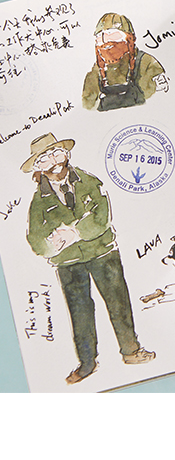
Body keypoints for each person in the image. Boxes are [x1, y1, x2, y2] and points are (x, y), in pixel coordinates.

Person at [21, 132, 155, 385]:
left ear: (66, 153)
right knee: (79, 312)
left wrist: (74, 233)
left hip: (103, 252)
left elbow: (102, 217)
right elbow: (35, 239)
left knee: (118, 302)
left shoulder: (89, 181)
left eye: (56, 152)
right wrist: (51, 245)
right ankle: (87, 363)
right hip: (68, 263)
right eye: (45, 158)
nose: (54, 161)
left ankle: (131, 351)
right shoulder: (38, 201)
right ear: (38, 167)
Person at [82, 12, 169, 111]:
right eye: (101, 38)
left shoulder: (147, 64)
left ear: (129, 39)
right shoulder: (95, 73)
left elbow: (157, 101)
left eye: (113, 36)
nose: (106, 42)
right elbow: (88, 106)